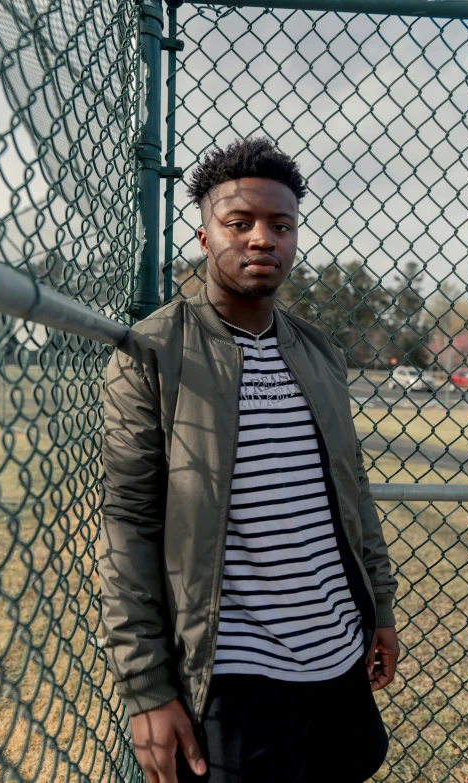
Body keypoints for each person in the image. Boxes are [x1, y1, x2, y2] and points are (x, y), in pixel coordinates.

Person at [99, 136, 399, 783]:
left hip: (338, 653)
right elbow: (128, 524)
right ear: (206, 236)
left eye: (280, 225)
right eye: (240, 222)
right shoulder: (152, 353)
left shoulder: (320, 352)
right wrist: (148, 687)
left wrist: (380, 609)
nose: (262, 238)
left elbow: (352, 494)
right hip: (234, 673)